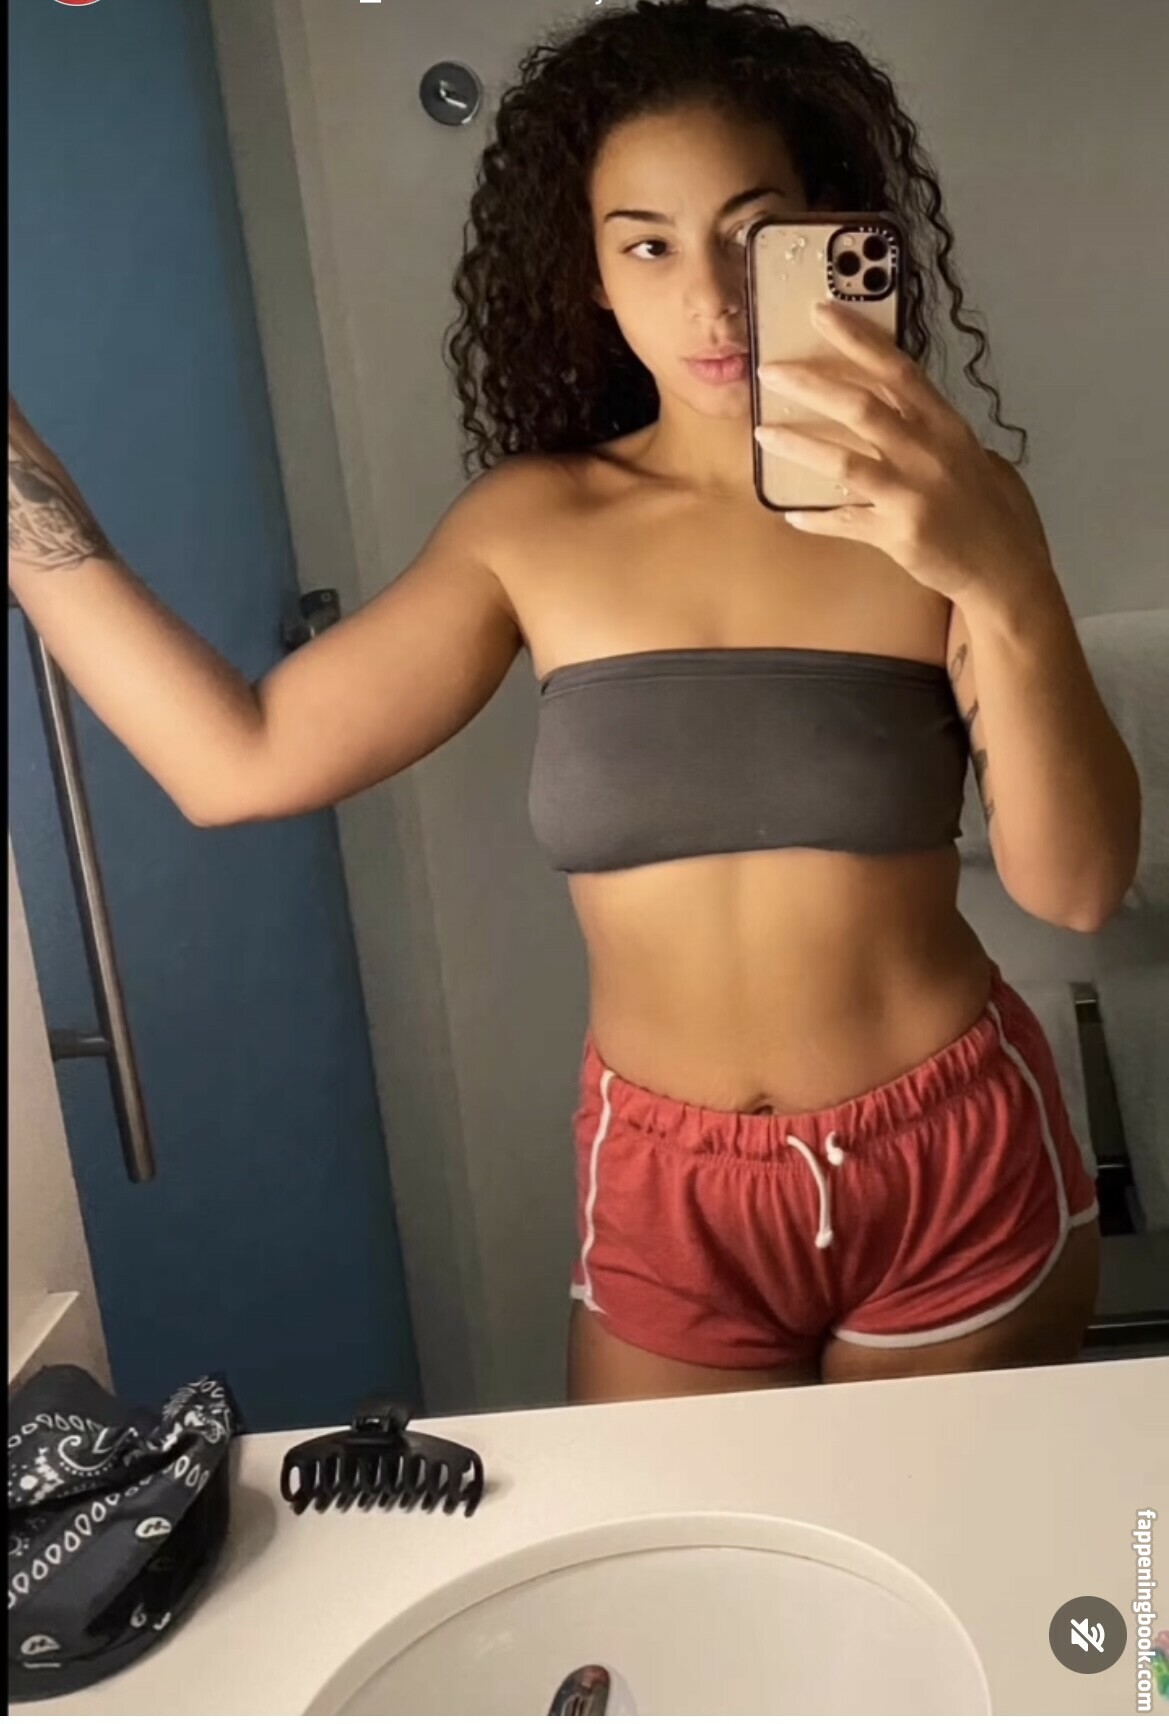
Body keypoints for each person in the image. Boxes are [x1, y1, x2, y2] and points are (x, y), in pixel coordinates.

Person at [8, 0, 1139, 1406]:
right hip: (669, 1185)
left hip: (947, 1159)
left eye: (750, 232)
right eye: (647, 245)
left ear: (827, 235)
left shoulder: (947, 508)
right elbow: (235, 762)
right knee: (673, 1552)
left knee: (935, 1546)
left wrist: (1003, 578)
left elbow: (1075, 886)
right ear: (591, 276)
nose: (708, 298)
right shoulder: (532, 528)